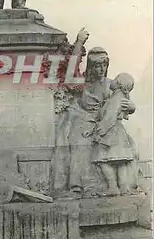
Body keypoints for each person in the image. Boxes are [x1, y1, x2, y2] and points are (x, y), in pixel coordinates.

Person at [54, 47, 136, 198]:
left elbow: (122, 104)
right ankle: (77, 186)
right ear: (90, 67)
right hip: (85, 121)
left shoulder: (113, 84)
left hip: (106, 125)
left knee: (123, 146)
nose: (101, 69)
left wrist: (131, 107)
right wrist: (79, 43)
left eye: (104, 65)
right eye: (97, 66)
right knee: (79, 142)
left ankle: (118, 186)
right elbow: (69, 75)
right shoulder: (83, 84)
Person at [89, 73, 137, 196]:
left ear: (119, 85)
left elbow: (109, 118)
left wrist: (99, 133)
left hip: (111, 132)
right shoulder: (118, 98)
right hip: (119, 133)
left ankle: (112, 187)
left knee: (102, 159)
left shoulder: (115, 100)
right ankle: (124, 187)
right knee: (120, 161)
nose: (112, 81)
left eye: (115, 80)